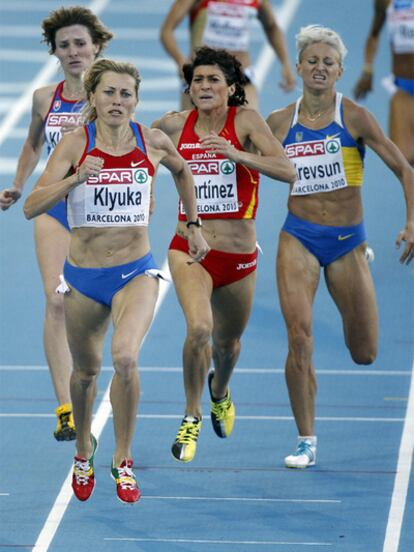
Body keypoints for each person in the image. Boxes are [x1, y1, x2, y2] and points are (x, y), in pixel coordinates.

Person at [23, 59, 209, 503]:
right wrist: (74, 179)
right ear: (93, 97)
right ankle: (84, 449)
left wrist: (193, 223)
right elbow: (32, 205)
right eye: (109, 93)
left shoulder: (153, 141)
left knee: (125, 358)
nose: (117, 101)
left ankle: (122, 460)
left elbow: (183, 171)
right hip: (84, 277)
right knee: (85, 373)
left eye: (126, 94)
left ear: (136, 100)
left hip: (135, 271)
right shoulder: (74, 144)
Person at [266, 25, 414, 469]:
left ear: (340, 71)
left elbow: (406, 168)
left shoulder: (355, 117)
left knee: (364, 352)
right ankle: (306, 440)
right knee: (300, 338)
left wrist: (411, 221)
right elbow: (243, 168)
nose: (319, 68)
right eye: (312, 60)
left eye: (328, 62)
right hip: (299, 237)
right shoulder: (278, 122)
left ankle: (360, 263)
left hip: (349, 241)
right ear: (298, 66)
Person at [152, 46, 296, 463]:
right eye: (198, 80)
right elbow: (128, 146)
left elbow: (287, 171)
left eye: (214, 79)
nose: (205, 86)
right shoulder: (173, 126)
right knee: (199, 329)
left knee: (228, 343)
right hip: (190, 248)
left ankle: (219, 390)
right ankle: (191, 415)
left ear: (231, 87)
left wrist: (237, 154)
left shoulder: (245, 121)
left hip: (237, 255)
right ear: (189, 88)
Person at [0, 6, 113, 441]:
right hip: (55, 207)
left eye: (80, 43)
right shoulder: (45, 98)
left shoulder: (110, 95)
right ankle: (65, 408)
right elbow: (32, 142)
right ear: (54, 51)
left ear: (97, 46)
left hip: (102, 211)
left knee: (94, 309)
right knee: (56, 300)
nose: (73, 51)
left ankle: (88, 385)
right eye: (64, 45)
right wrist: (17, 183)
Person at [160, 0, 295, 110]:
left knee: (249, 136)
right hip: (201, 79)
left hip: (240, 77)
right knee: (190, 140)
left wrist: (285, 63)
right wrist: (180, 60)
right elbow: (166, 31)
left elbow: (272, 27)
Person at [353, 0, 414, 166]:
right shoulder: (385, 2)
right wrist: (367, 70)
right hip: (405, 88)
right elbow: (373, 35)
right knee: (403, 161)